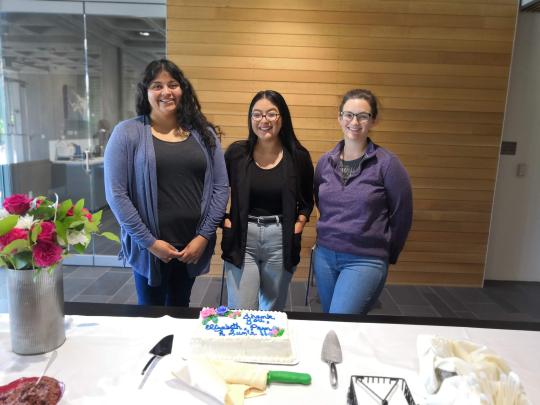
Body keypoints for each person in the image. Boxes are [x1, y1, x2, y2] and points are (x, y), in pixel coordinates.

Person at [104, 59, 228, 306]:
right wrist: (150, 242)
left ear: (183, 89)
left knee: (181, 307)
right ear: (146, 91)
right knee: (150, 316)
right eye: (157, 85)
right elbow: (116, 194)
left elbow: (220, 187)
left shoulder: (203, 133)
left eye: (173, 84)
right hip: (149, 247)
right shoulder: (127, 132)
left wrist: (203, 236)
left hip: (191, 247)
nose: (166, 92)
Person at [313, 89, 413, 314]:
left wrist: (387, 253)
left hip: (365, 259)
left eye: (363, 116)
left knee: (341, 319)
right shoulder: (325, 162)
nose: (354, 122)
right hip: (325, 256)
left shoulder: (387, 165)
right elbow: (321, 203)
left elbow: (402, 215)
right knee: (329, 324)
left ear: (373, 120)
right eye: (348, 114)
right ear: (339, 118)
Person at [222, 90, 314, 310]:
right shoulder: (237, 153)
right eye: (257, 114)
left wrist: (299, 224)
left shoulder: (298, 156)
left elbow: (307, 199)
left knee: (272, 311)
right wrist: (223, 220)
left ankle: (266, 345)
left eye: (271, 114)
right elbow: (215, 191)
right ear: (250, 118)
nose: (264, 120)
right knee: (242, 310)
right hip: (243, 238)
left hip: (280, 238)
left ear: (282, 118)